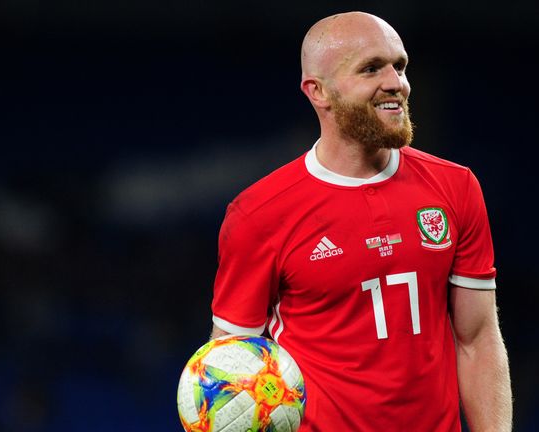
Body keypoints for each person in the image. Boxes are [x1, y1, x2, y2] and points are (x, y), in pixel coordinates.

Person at [210, 11, 512, 431]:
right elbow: (230, 368)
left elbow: (477, 339)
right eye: (371, 68)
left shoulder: (456, 187)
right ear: (318, 92)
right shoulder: (258, 215)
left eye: (400, 66)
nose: (396, 83)